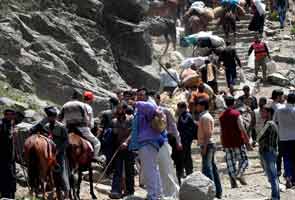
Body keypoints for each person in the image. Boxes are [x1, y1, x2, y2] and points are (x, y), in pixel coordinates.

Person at [30, 106, 69, 199]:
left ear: (55, 117)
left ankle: (66, 190)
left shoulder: (61, 127)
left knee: (61, 170)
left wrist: (59, 151)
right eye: (49, 116)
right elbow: (33, 130)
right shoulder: (45, 125)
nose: (51, 118)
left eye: (53, 116)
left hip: (58, 152)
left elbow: (66, 141)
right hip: (48, 152)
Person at [130, 100, 165, 200]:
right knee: (153, 169)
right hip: (149, 142)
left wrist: (136, 103)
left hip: (147, 142)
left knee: (149, 170)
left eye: (142, 95)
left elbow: (151, 108)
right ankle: (158, 194)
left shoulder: (148, 107)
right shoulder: (142, 111)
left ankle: (152, 196)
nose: (139, 98)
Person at [59, 90, 101, 161]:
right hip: (82, 128)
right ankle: (95, 157)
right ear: (80, 97)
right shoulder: (82, 105)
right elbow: (86, 118)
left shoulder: (65, 105)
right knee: (97, 142)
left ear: (72, 97)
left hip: (68, 128)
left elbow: (60, 118)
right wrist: (89, 126)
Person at [219, 96, 250, 188]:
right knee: (244, 160)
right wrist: (247, 140)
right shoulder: (236, 114)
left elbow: (221, 131)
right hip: (237, 141)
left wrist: (222, 143)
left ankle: (233, 181)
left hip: (226, 142)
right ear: (233, 103)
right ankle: (239, 174)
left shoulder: (222, 116)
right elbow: (242, 128)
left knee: (230, 162)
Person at [196, 99, 222, 199]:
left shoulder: (205, 117)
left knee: (207, 169)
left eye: (198, 105)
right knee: (213, 168)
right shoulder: (205, 116)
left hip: (207, 145)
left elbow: (207, 134)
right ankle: (217, 192)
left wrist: (204, 147)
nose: (196, 107)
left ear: (202, 106)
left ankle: (212, 193)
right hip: (208, 144)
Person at [109, 102, 135, 199]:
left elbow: (133, 132)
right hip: (118, 148)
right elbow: (113, 135)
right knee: (118, 170)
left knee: (129, 170)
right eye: (117, 109)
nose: (118, 111)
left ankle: (129, 191)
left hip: (129, 148)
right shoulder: (114, 121)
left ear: (124, 110)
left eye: (120, 109)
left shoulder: (131, 119)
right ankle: (115, 190)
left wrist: (126, 142)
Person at [258, 104, 280, 200]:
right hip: (272, 151)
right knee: (273, 175)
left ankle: (275, 196)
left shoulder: (268, 124)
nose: (261, 113)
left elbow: (259, 136)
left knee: (272, 175)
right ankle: (275, 195)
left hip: (268, 152)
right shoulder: (273, 123)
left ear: (269, 113)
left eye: (263, 111)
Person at [274, 93, 295, 188]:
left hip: (282, 137)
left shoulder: (279, 109)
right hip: (293, 137)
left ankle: (288, 177)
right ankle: (293, 179)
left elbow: (275, 121)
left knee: (286, 158)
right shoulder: (294, 110)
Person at [176, 102, 197, 184]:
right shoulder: (183, 115)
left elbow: (184, 123)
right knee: (185, 155)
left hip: (186, 139)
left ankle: (187, 172)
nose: (178, 110)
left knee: (185, 156)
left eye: (179, 108)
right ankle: (187, 171)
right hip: (184, 139)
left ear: (183, 108)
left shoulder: (186, 116)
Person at [0, 109, 17, 199]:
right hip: (3, 156)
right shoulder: (2, 124)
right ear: (6, 115)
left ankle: (11, 195)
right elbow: (3, 139)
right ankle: (5, 196)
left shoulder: (11, 124)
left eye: (13, 115)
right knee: (6, 176)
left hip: (11, 156)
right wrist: (11, 135)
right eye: (10, 115)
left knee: (12, 176)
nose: (12, 116)